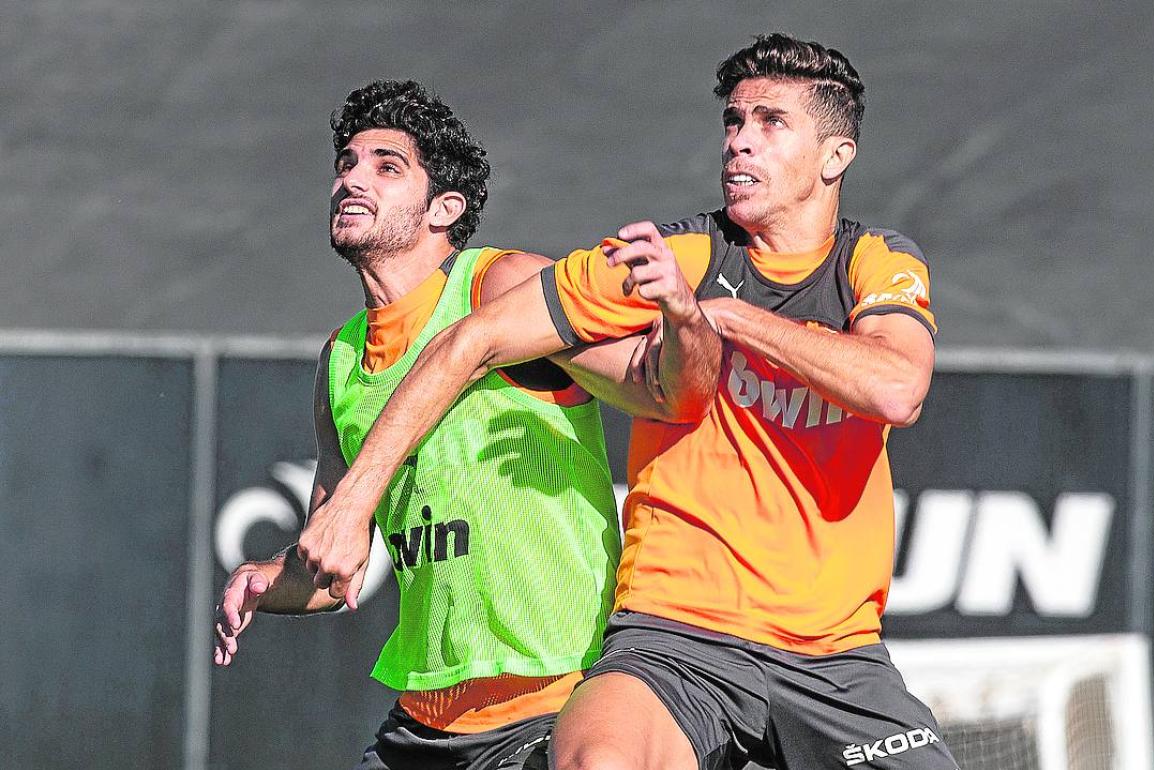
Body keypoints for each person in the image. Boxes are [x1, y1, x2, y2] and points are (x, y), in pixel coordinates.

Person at [298, 34, 960, 770]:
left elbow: (898, 388)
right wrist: (352, 503)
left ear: (835, 157)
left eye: (771, 123)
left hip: (837, 657)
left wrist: (726, 317)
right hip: (674, 641)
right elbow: (466, 342)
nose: (740, 143)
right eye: (733, 123)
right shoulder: (674, 253)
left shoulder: (874, 259)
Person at [212, 79, 720, 770]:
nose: (352, 178)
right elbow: (337, 566)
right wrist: (266, 579)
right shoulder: (341, 360)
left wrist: (683, 319)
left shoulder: (502, 286)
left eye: (387, 167)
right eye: (346, 164)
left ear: (443, 208)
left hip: (556, 706)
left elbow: (667, 394)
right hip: (424, 728)